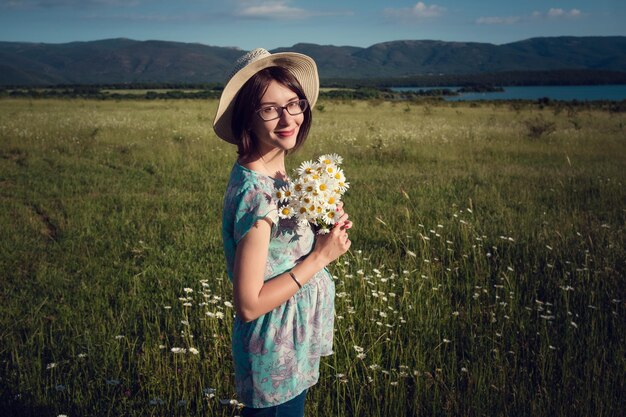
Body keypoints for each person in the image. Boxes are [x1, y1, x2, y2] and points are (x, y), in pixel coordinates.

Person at [213, 48, 353, 416]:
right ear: (247, 117)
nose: (287, 118)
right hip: (274, 350)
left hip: (291, 342)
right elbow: (248, 304)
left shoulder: (272, 173)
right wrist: (322, 256)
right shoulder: (258, 196)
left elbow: (280, 250)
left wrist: (320, 218)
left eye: (293, 104)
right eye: (269, 109)